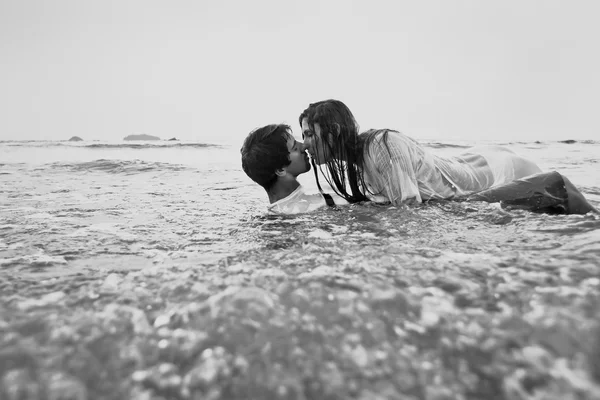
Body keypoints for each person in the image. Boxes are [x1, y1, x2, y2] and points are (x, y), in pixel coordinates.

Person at [299, 99, 597, 214]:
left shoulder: (381, 145)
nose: (306, 144)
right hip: (470, 173)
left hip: (496, 172)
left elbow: (408, 209)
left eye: (309, 134)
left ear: (334, 131)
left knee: (557, 184)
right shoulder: (358, 166)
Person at [240, 124, 347, 214]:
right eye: (295, 148)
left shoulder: (276, 212)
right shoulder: (321, 204)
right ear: (280, 170)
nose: (304, 146)